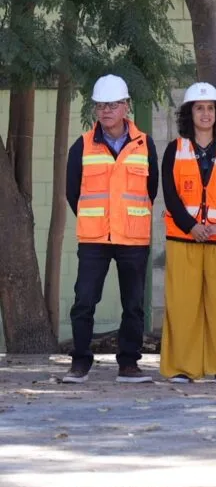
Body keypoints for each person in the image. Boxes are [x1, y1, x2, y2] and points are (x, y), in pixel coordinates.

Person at [62, 75, 160, 384]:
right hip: (95, 238)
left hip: (132, 237)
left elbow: (151, 190)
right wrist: (97, 220)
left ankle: (129, 364)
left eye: (113, 105)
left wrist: (126, 218)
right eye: (101, 105)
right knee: (84, 302)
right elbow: (72, 192)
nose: (106, 110)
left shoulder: (145, 144)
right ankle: (79, 363)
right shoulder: (82, 145)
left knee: (133, 304)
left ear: (126, 106)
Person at [159, 82, 216, 384]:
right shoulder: (175, 149)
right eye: (199, 108)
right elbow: (170, 194)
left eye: (210, 108)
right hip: (184, 237)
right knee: (182, 305)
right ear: (190, 113)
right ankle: (182, 368)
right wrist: (191, 226)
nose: (206, 113)